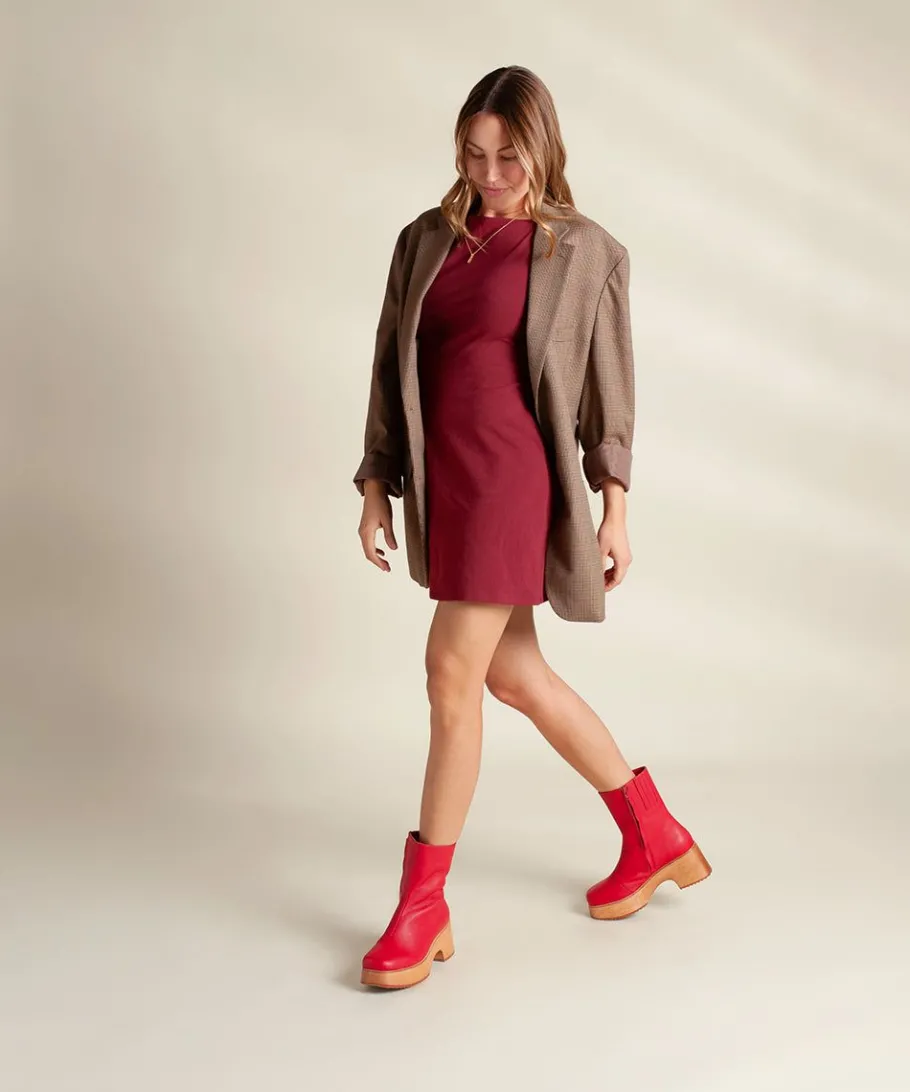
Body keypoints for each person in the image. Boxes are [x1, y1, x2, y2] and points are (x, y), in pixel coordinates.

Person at [353, 66, 710, 990]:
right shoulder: (423, 241)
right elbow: (391, 364)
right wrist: (377, 481)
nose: (489, 173)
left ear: (543, 148)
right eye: (473, 154)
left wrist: (614, 504)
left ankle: (423, 906)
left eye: (508, 156)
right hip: (448, 483)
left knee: (449, 673)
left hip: (514, 482)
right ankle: (655, 835)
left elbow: (607, 392)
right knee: (512, 674)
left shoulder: (586, 251)